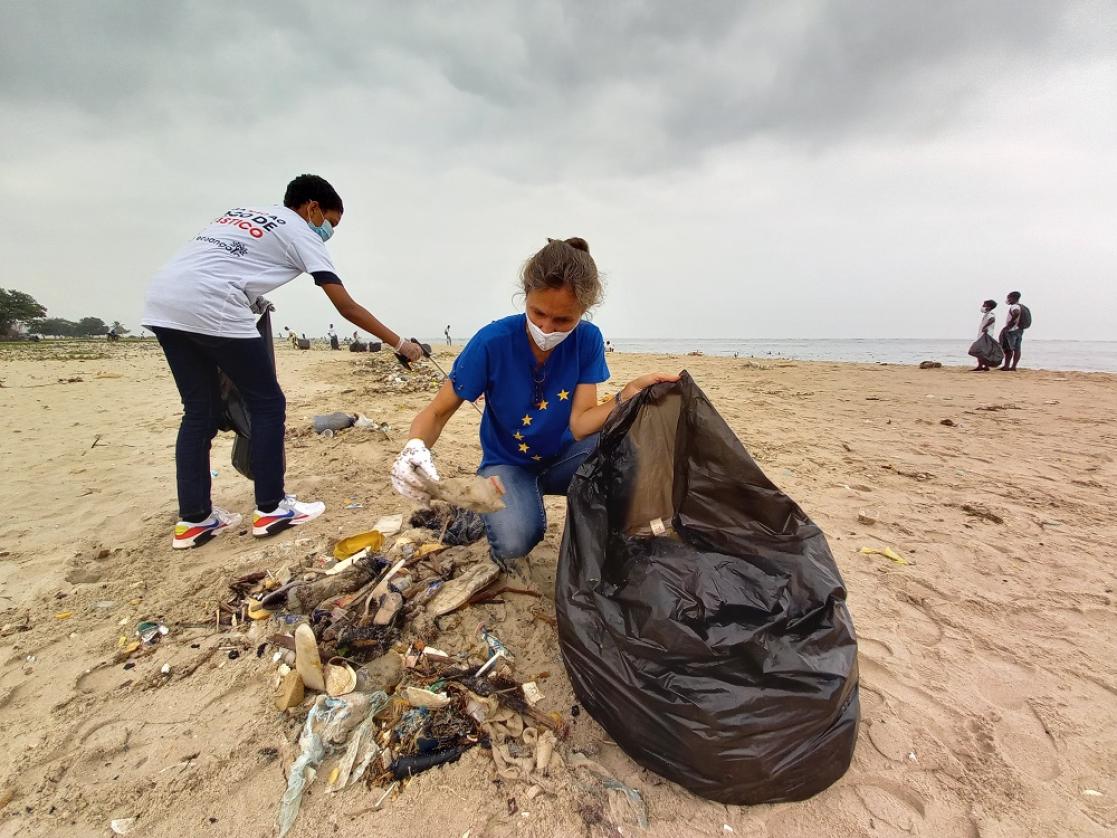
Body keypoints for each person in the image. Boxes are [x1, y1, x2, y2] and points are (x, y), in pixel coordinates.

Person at [142, 174, 423, 549]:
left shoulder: (242, 214)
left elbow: (224, 263)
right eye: (331, 223)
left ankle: (194, 520)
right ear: (312, 208)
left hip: (163, 302)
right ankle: (272, 508)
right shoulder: (302, 231)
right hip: (214, 303)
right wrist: (400, 343)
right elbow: (346, 307)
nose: (328, 231)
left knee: (198, 411)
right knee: (267, 404)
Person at [391, 237, 678, 567]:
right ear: (525, 295)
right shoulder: (491, 342)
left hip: (568, 457)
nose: (546, 327)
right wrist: (414, 447)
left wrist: (626, 393)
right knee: (515, 541)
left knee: (628, 448)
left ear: (583, 312)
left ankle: (608, 547)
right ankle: (514, 505)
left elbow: (582, 423)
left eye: (563, 321)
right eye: (538, 313)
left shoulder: (587, 340)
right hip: (508, 465)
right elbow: (438, 411)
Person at [969, 300, 999, 371]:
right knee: (982, 351)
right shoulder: (987, 314)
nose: (983, 306)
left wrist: (985, 327)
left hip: (985, 335)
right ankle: (983, 366)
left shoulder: (990, 314)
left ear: (989, 307)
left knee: (981, 350)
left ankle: (983, 366)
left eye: (984, 305)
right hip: (983, 335)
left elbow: (992, 319)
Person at [999, 291, 1025, 371]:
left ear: (1013, 298)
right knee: (1017, 349)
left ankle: (1006, 366)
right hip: (1019, 330)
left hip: (1012, 331)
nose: (1008, 299)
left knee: (1008, 349)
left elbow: (1016, 313)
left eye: (1009, 297)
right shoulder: (1021, 306)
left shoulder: (1014, 306)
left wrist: (1009, 324)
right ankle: (1013, 366)